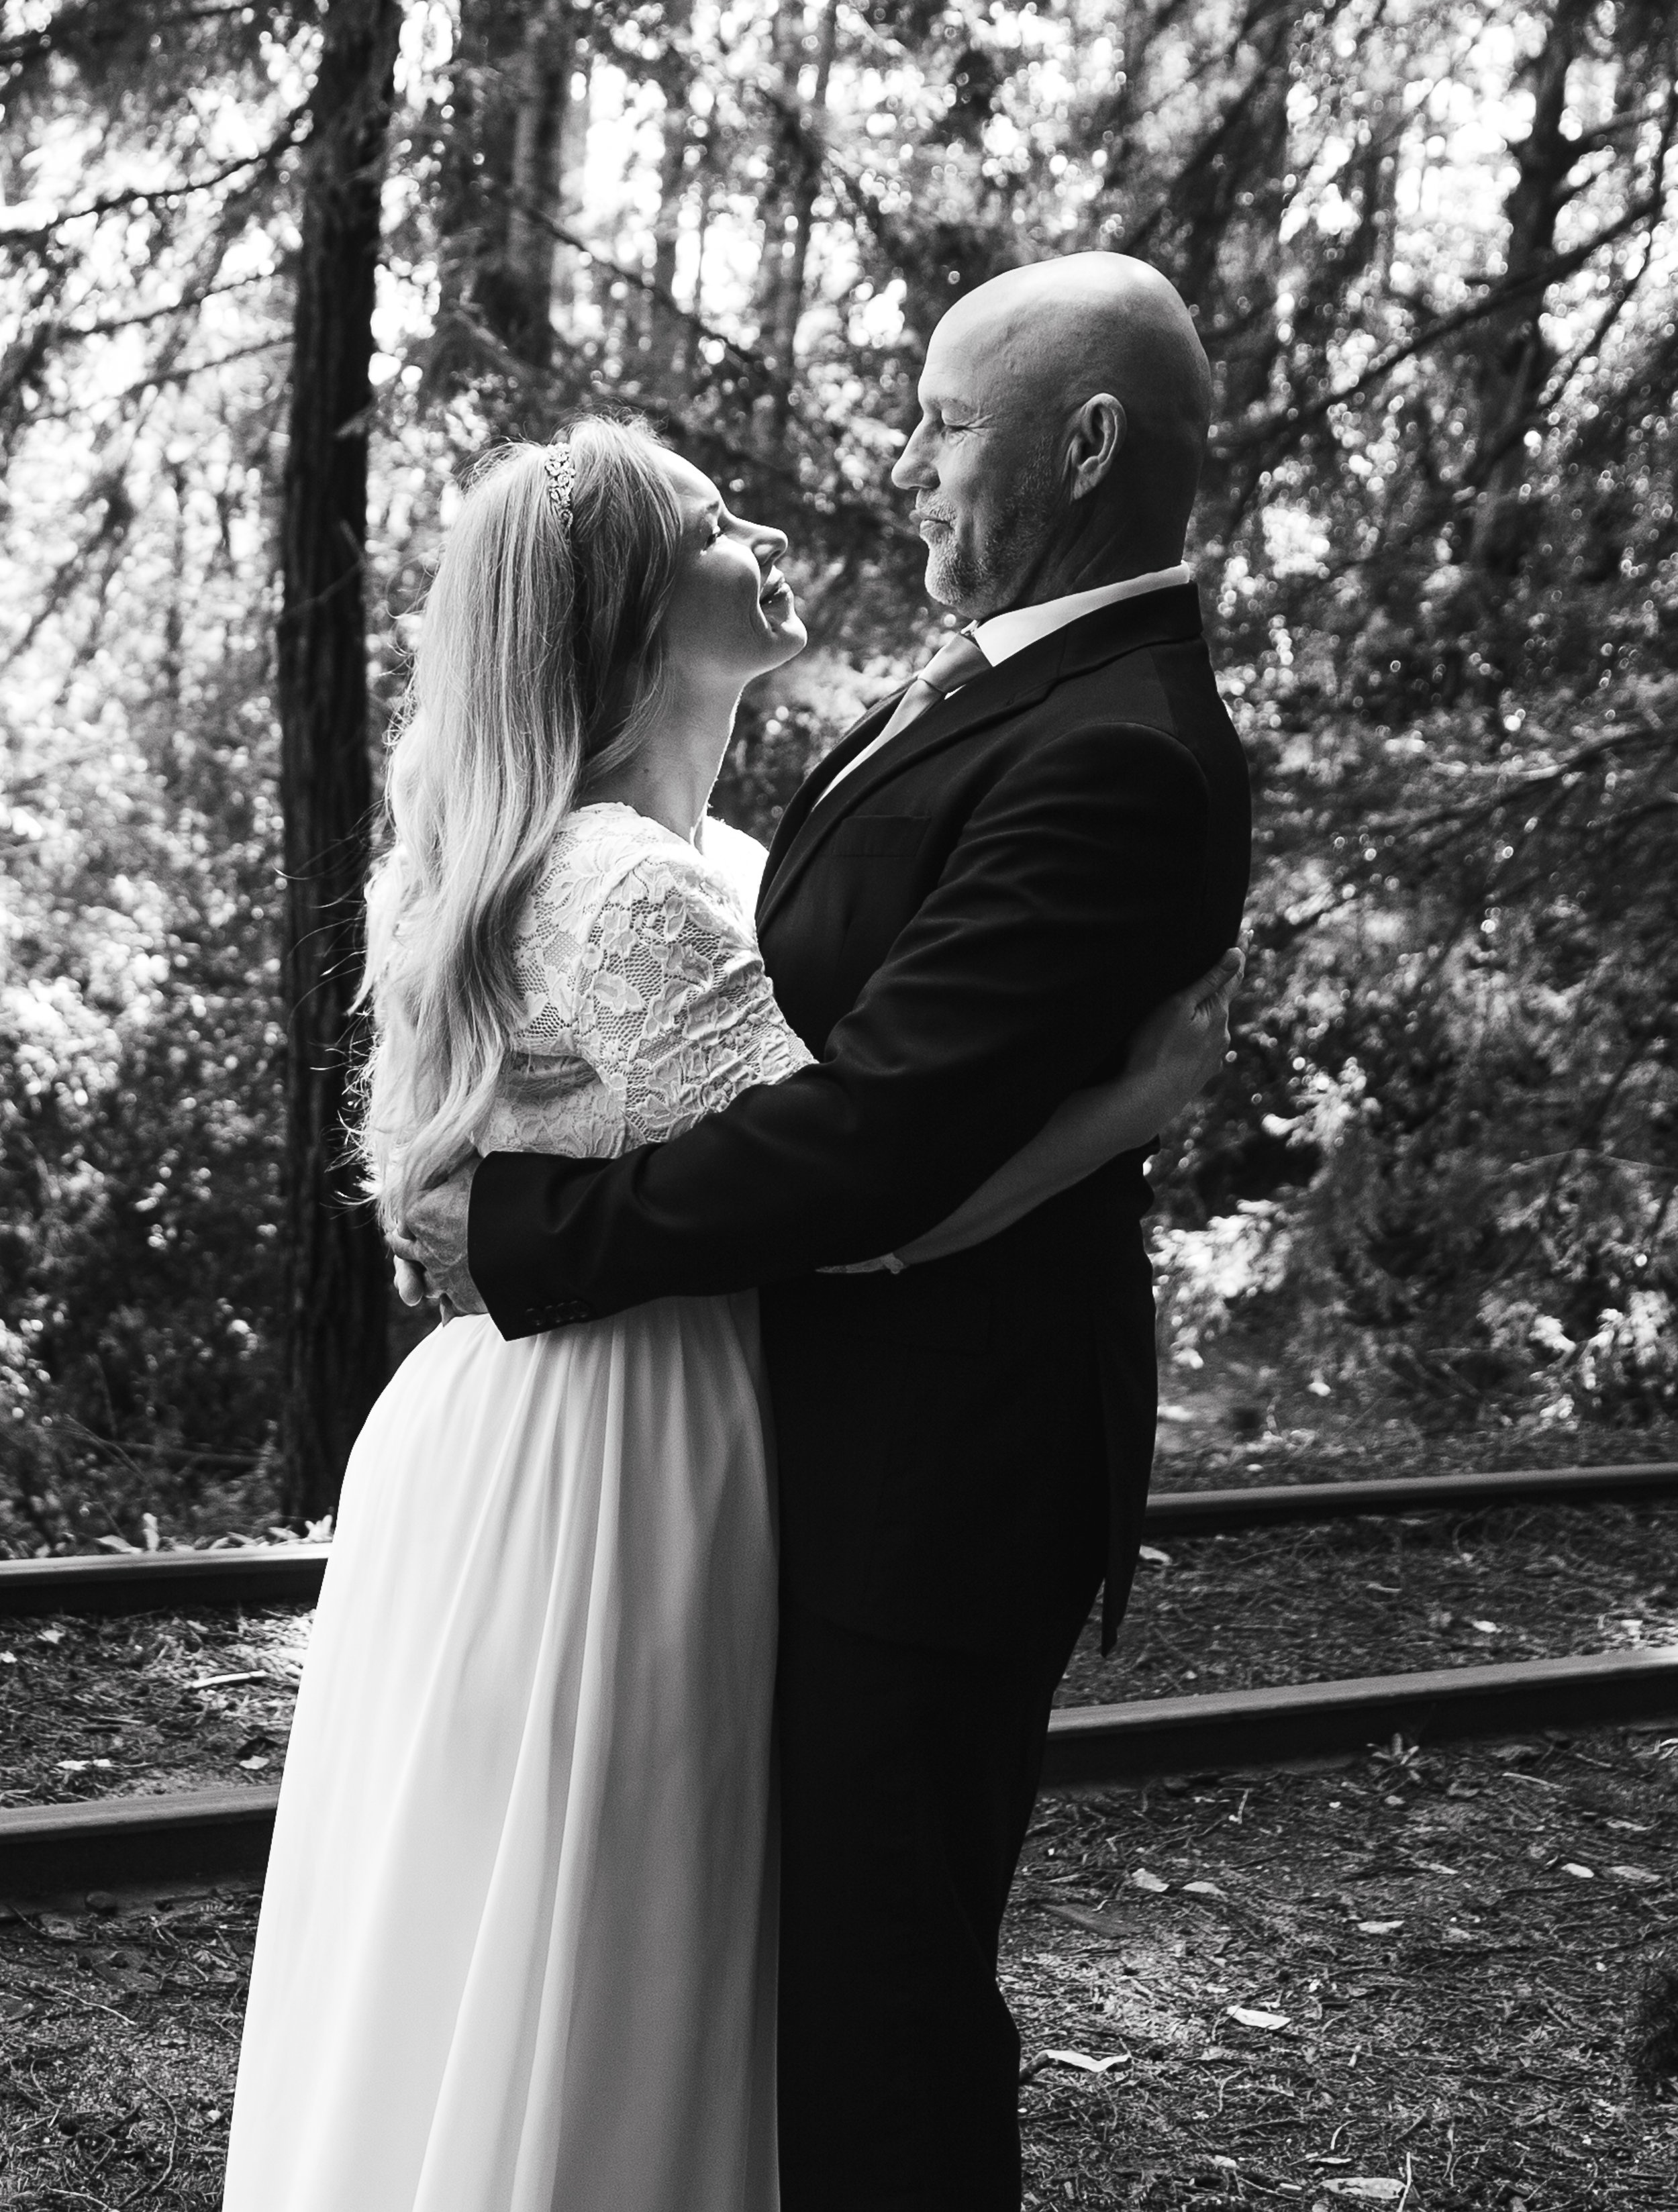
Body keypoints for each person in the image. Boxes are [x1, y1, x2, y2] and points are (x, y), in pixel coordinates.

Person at [222, 407, 1240, 2212]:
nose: (756, 523)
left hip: (525, 1422)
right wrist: (1122, 1113)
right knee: (604, 1911)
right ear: (626, 610)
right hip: (611, 1435)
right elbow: (840, 1202)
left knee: (522, 1919)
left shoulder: (701, 860)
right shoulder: (632, 888)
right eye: (711, 518)